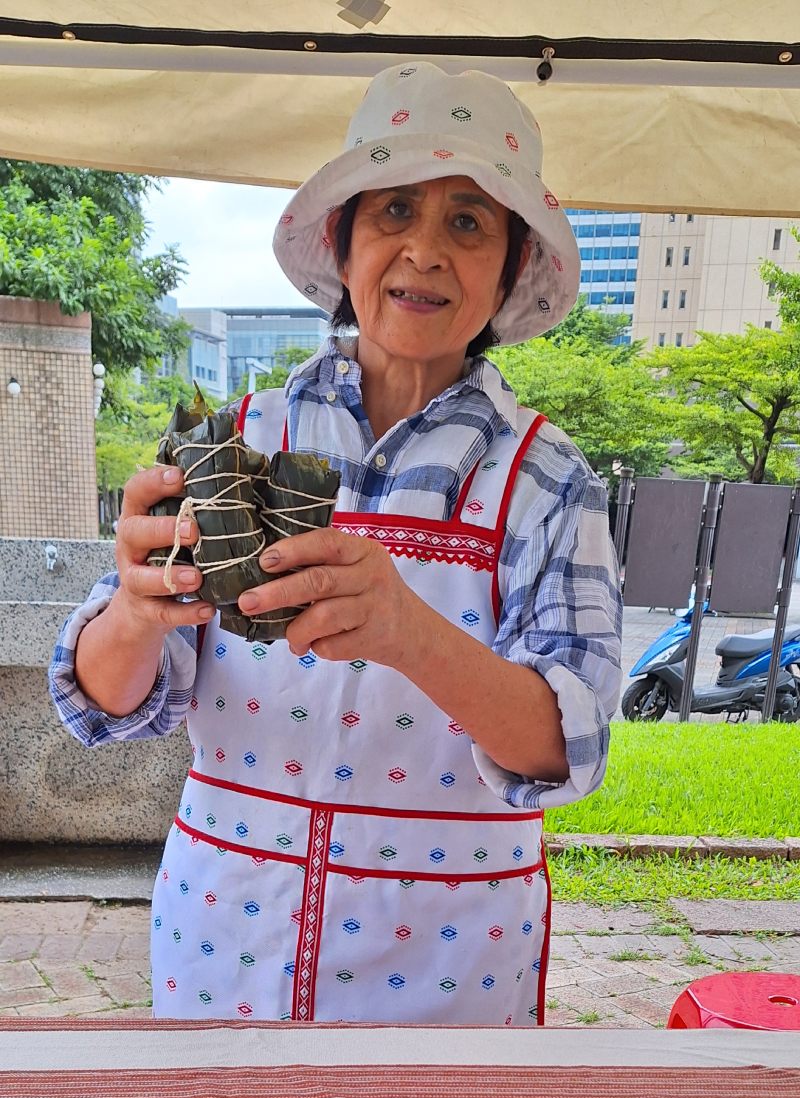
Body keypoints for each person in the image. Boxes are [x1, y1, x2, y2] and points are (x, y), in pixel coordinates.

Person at [50, 62, 622, 1026]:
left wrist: (408, 629)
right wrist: (135, 610)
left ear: (514, 266)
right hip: (224, 936)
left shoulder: (547, 477)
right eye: (394, 209)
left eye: (469, 222)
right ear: (344, 241)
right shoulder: (234, 439)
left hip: (450, 961)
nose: (426, 252)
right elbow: (106, 702)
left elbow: (568, 745)